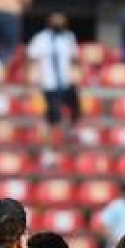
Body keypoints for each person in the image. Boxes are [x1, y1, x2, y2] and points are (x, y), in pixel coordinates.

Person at [27, 12, 81, 160]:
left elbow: (74, 58)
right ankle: (52, 148)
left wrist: (76, 74)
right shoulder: (40, 38)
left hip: (67, 82)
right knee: (54, 117)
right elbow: (32, 58)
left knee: (76, 111)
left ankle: (69, 136)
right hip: (49, 84)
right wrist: (33, 78)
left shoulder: (69, 37)